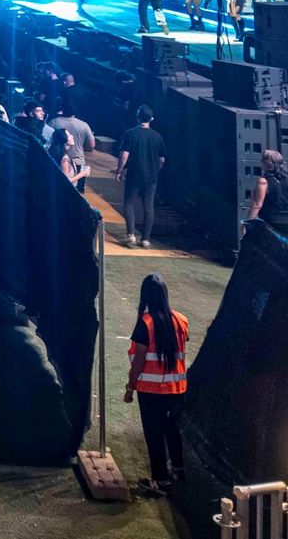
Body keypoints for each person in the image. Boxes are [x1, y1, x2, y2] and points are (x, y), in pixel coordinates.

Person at [123, 273, 187, 496]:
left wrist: (130, 387)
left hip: (152, 390)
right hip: (176, 388)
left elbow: (139, 361)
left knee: (153, 432)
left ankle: (160, 480)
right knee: (171, 427)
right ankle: (178, 469)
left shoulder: (145, 325)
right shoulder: (180, 320)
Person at [116, 106, 166, 248]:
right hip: (151, 177)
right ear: (151, 119)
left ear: (137, 117)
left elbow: (124, 154)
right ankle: (145, 239)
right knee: (148, 206)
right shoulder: (157, 136)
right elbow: (162, 159)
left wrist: (119, 170)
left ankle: (131, 235)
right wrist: (155, 171)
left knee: (129, 203)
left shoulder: (130, 134)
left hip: (134, 174)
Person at [247, 149, 288, 237]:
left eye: (262, 161)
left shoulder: (263, 181)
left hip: (271, 222)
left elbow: (257, 204)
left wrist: (247, 223)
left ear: (267, 164)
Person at [49, 127, 89, 193]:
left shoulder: (55, 153)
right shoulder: (64, 159)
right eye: (69, 135)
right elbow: (66, 180)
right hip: (65, 193)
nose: (72, 136)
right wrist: (83, 173)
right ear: (64, 140)